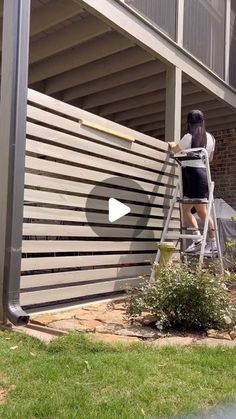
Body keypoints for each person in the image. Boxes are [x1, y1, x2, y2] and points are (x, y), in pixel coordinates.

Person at [168, 109, 216, 255]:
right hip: (203, 174)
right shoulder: (211, 138)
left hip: (192, 175)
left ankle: (201, 240)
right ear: (203, 122)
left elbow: (177, 151)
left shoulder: (188, 137)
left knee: (192, 211)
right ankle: (207, 242)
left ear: (189, 123)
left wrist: (172, 144)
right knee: (201, 212)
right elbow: (210, 159)